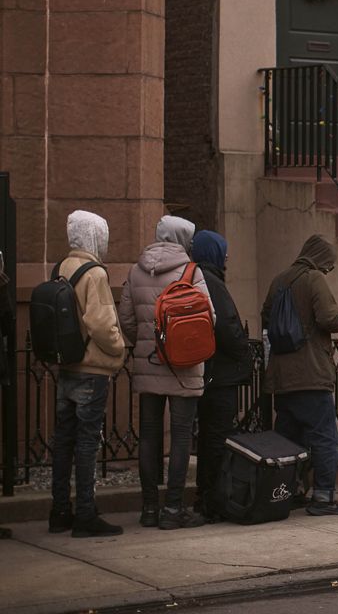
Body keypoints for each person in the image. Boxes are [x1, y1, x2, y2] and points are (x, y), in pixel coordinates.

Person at [119, 215, 211, 529]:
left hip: (148, 362)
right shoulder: (191, 271)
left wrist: (145, 344)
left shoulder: (135, 270)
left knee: (149, 435)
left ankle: (148, 508)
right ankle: (173, 509)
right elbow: (208, 317)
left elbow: (126, 319)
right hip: (184, 365)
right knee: (182, 436)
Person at [261, 235, 338, 515]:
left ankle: (287, 491)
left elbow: (266, 317)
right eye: (329, 265)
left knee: (288, 441)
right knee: (324, 437)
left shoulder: (279, 280)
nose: (328, 270)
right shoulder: (314, 278)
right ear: (321, 259)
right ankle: (324, 497)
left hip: (282, 377)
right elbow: (327, 318)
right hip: (311, 374)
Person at [47, 211, 127, 537]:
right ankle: (85, 514)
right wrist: (119, 348)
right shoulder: (94, 274)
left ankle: (59, 511)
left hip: (66, 366)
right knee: (86, 443)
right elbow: (102, 324)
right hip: (91, 370)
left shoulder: (61, 268)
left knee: (64, 441)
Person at [190, 230, 253, 523]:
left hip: (205, 371)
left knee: (206, 437)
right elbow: (227, 325)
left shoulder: (195, 277)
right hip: (220, 374)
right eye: (223, 251)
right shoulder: (211, 282)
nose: (227, 257)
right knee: (216, 436)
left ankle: (205, 496)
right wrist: (244, 352)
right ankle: (212, 499)